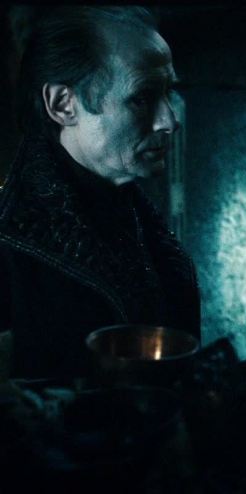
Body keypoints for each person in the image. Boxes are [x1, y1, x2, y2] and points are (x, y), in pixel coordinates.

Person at [0, 7, 200, 378]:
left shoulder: (140, 220)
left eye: (168, 92)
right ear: (63, 105)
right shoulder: (9, 245)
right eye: (141, 98)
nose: (169, 121)